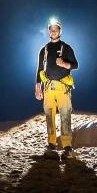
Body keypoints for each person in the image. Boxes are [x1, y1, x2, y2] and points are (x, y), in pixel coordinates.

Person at [34, 18, 78, 158]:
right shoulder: (44, 50)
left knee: (65, 115)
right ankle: (51, 144)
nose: (53, 32)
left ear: (60, 31)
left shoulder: (66, 47)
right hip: (48, 88)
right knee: (49, 116)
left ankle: (67, 146)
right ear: (49, 31)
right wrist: (37, 87)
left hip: (62, 88)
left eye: (56, 29)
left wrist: (65, 64)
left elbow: (75, 65)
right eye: (51, 29)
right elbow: (40, 69)